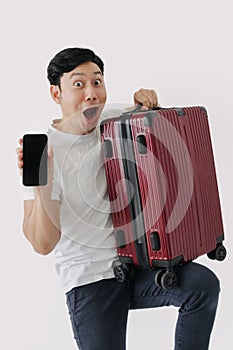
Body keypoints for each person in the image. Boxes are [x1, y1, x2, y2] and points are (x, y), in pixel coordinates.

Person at [16, 47, 220, 350]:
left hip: (133, 266)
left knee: (202, 286)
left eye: (97, 82)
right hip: (91, 282)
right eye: (78, 84)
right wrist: (40, 184)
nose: (91, 93)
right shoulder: (45, 153)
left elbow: (151, 119)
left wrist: (148, 101)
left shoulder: (111, 119)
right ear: (56, 94)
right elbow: (42, 243)